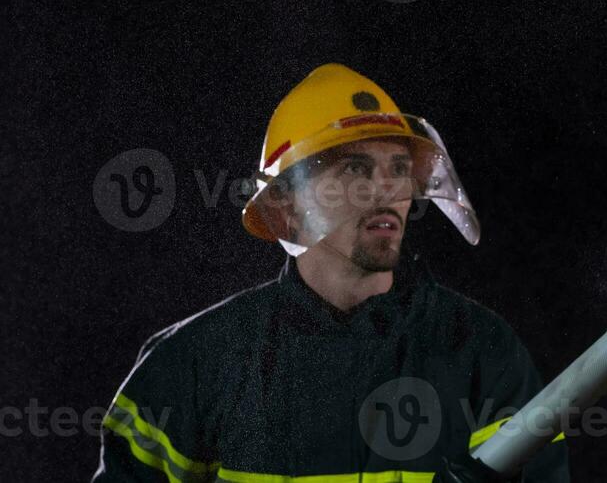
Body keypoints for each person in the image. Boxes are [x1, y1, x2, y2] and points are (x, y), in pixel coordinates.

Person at [93, 63, 569, 482]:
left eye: (399, 167)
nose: (385, 191)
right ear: (286, 206)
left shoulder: (482, 353)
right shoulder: (194, 365)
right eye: (355, 170)